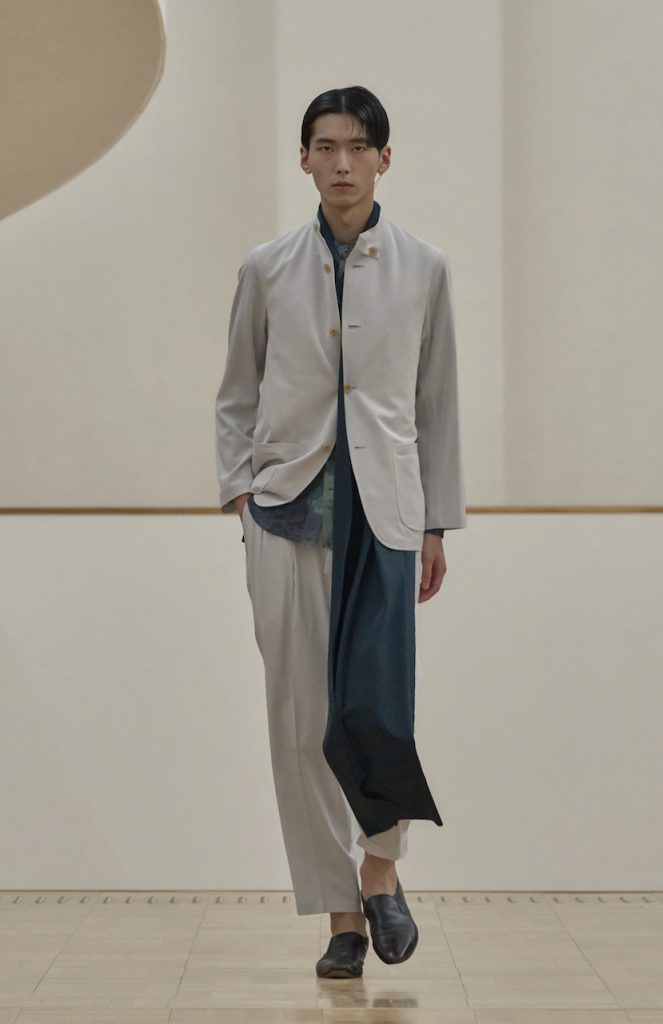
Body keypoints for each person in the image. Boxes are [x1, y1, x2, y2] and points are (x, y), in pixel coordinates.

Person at [215, 85, 466, 979]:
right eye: (326, 146)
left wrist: (436, 522)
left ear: (385, 159)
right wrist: (241, 500)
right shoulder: (266, 268)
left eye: (359, 146)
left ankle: (381, 868)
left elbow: (436, 404)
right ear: (305, 160)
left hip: (388, 514)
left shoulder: (424, 267)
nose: (343, 162)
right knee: (300, 722)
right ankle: (340, 917)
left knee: (377, 708)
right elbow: (236, 396)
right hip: (286, 514)